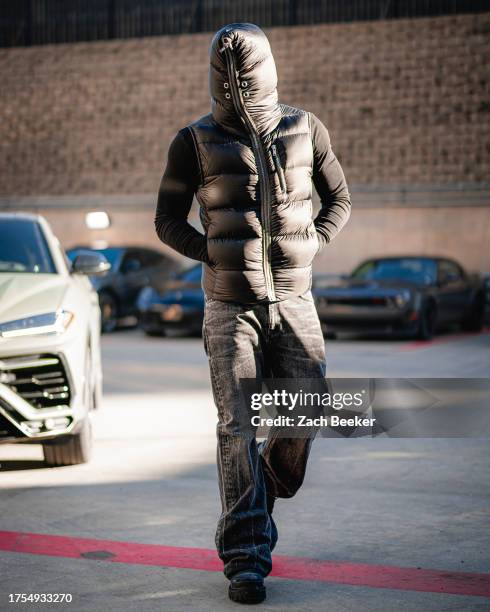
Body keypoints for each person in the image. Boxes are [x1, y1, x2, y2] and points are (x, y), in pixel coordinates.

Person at [155, 22, 351, 605]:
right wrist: (212, 257)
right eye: (226, 73)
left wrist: (312, 242)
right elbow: (167, 221)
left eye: (246, 71)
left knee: (307, 407)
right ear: (217, 76)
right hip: (228, 308)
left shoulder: (304, 127)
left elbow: (338, 198)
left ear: (264, 69)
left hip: (295, 298)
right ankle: (246, 559)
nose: (237, 83)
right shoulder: (192, 140)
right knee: (237, 427)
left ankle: (263, 489)